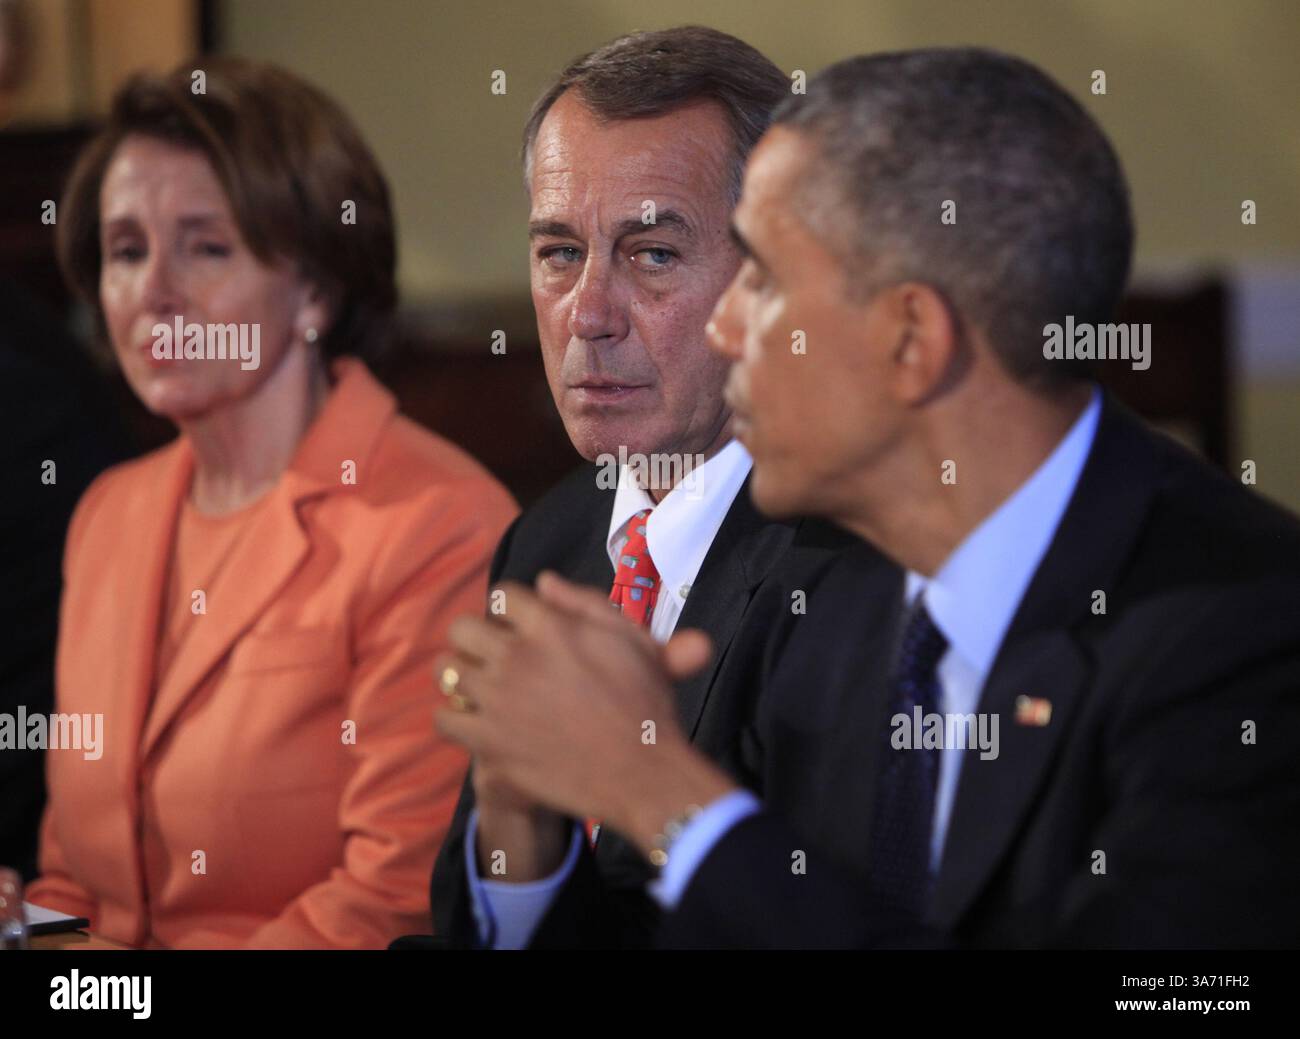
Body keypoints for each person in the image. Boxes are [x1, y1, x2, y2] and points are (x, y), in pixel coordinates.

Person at [432, 48, 1300, 949]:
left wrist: (658, 793)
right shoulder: (866, 589)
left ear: (912, 339)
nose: (729, 326)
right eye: (559, 252)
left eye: (763, 280)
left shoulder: (1252, 634)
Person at [23, 57, 517, 948]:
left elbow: (392, 905)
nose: (154, 292)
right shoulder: (109, 512)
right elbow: (73, 878)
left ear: (317, 291)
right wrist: (35, 937)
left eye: (206, 246)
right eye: (126, 250)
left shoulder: (439, 522)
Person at [425, 26, 862, 950]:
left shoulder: (851, 561)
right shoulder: (545, 543)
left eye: (652, 253)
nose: (588, 314)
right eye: (558, 253)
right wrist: (517, 825)